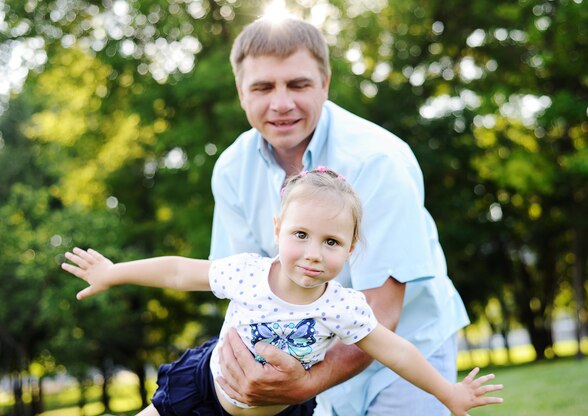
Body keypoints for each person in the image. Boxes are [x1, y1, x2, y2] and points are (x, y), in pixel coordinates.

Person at [62, 168, 502, 416]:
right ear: (278, 230)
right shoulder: (247, 273)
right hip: (204, 392)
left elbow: (397, 351)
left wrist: (449, 393)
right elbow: (180, 271)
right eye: (301, 235)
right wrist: (113, 271)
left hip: (278, 415)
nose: (313, 254)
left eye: (331, 242)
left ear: (350, 249)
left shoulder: (343, 307)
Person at [210, 16, 472, 416]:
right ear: (240, 93)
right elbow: (249, 293)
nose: (281, 104)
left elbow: (381, 313)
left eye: (298, 84)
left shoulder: (377, 161)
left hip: (404, 353)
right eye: (263, 87)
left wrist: (306, 383)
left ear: (325, 84)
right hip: (307, 353)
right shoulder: (230, 171)